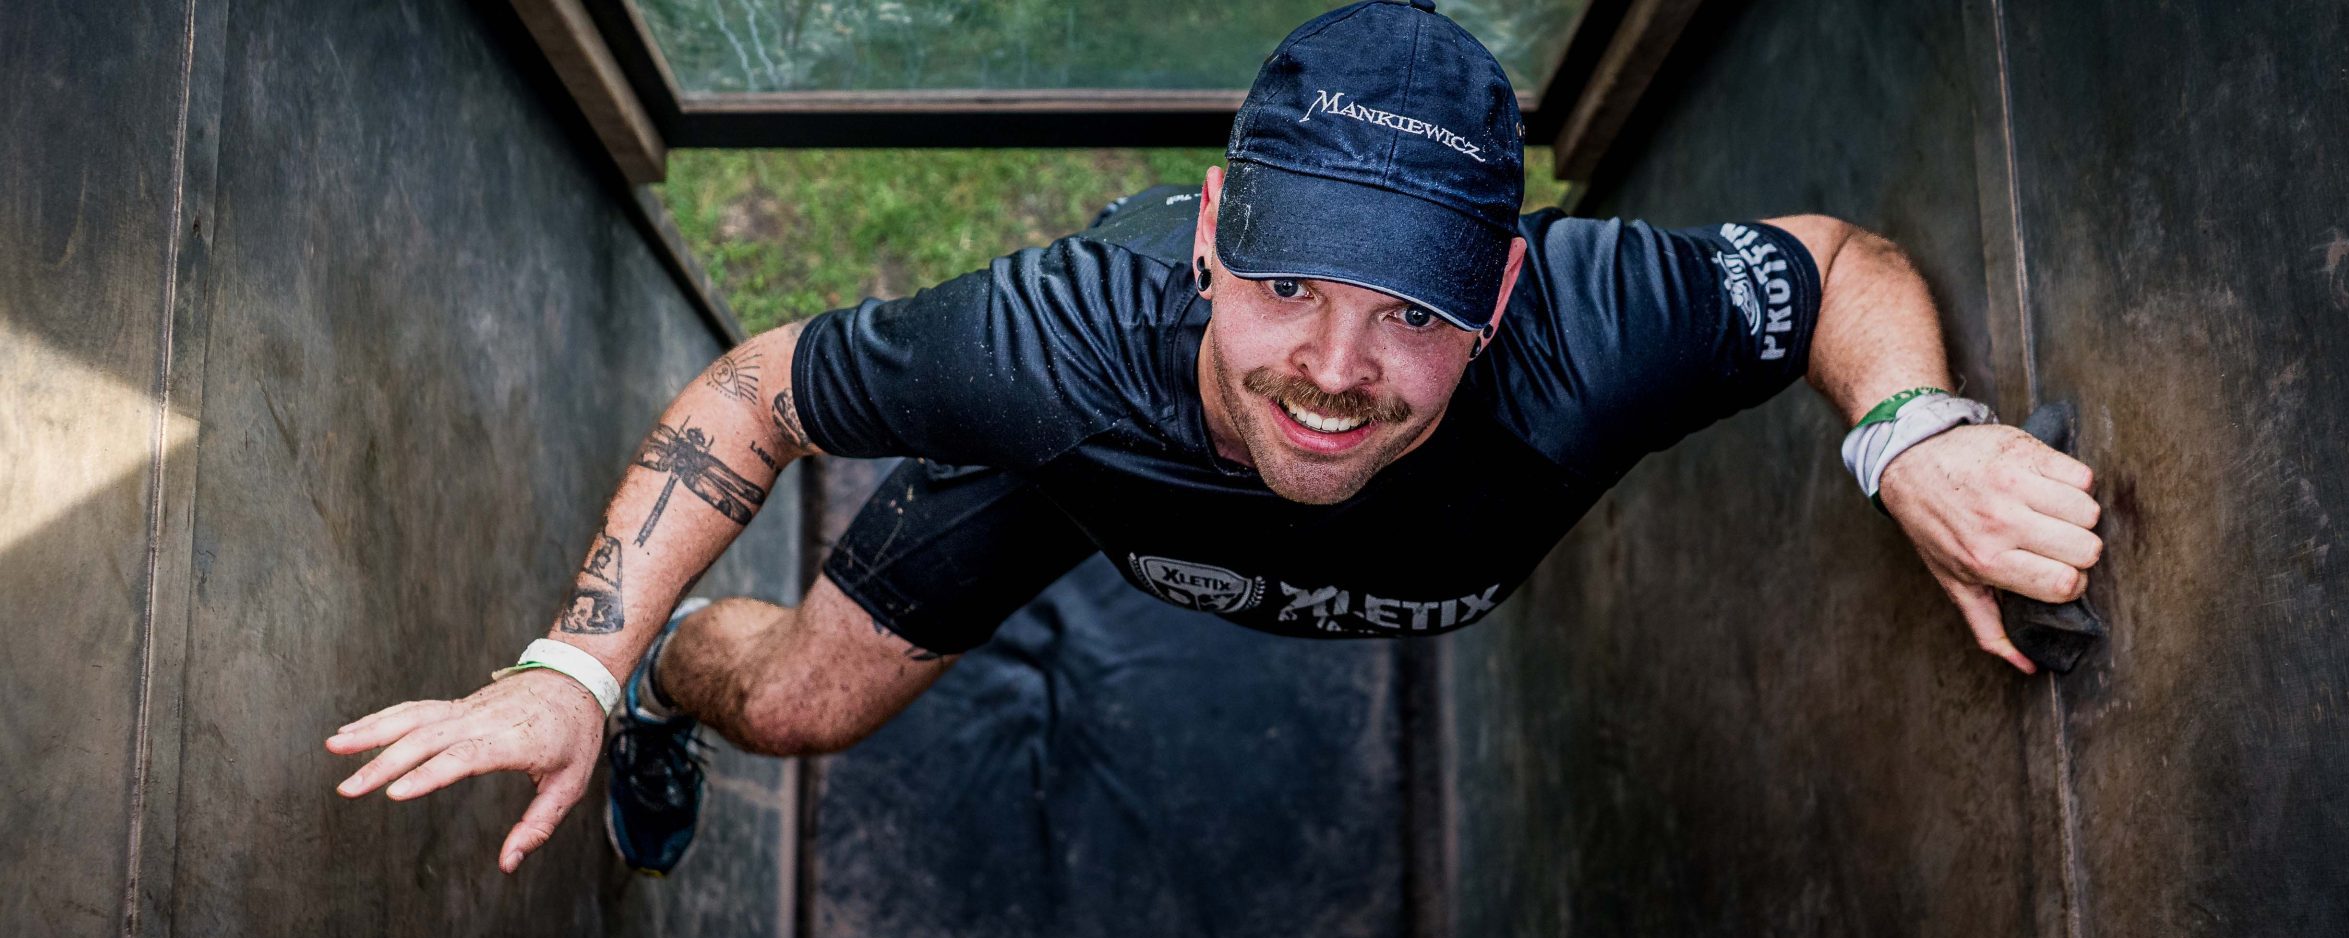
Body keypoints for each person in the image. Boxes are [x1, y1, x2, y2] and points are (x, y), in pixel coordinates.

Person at [325, 0, 2101, 877]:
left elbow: (1833, 267)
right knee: (795, 704)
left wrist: (1909, 430)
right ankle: (662, 692)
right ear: (1206, 242)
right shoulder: (1056, 347)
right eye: (1289, 287)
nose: (1334, 370)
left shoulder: (1592, 320)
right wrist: (576, 663)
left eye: (1413, 310)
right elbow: (758, 391)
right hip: (1072, 486)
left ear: (1501, 285)